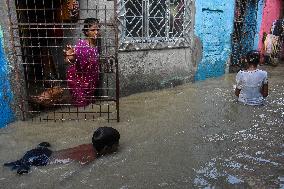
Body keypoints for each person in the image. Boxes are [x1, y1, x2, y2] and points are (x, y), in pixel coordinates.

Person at [4, 127, 120, 175]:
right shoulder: (90, 157)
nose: (118, 146)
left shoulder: (88, 145)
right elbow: (71, 174)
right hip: (40, 161)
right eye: (116, 144)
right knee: (24, 169)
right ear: (106, 148)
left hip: (41, 152)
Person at [64, 18, 100, 106]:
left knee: (88, 104)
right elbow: (69, 60)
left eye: (98, 29)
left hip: (90, 80)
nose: (96, 32)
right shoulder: (82, 45)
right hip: (77, 79)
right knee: (81, 104)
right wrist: (69, 56)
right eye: (93, 30)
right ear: (86, 32)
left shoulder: (96, 45)